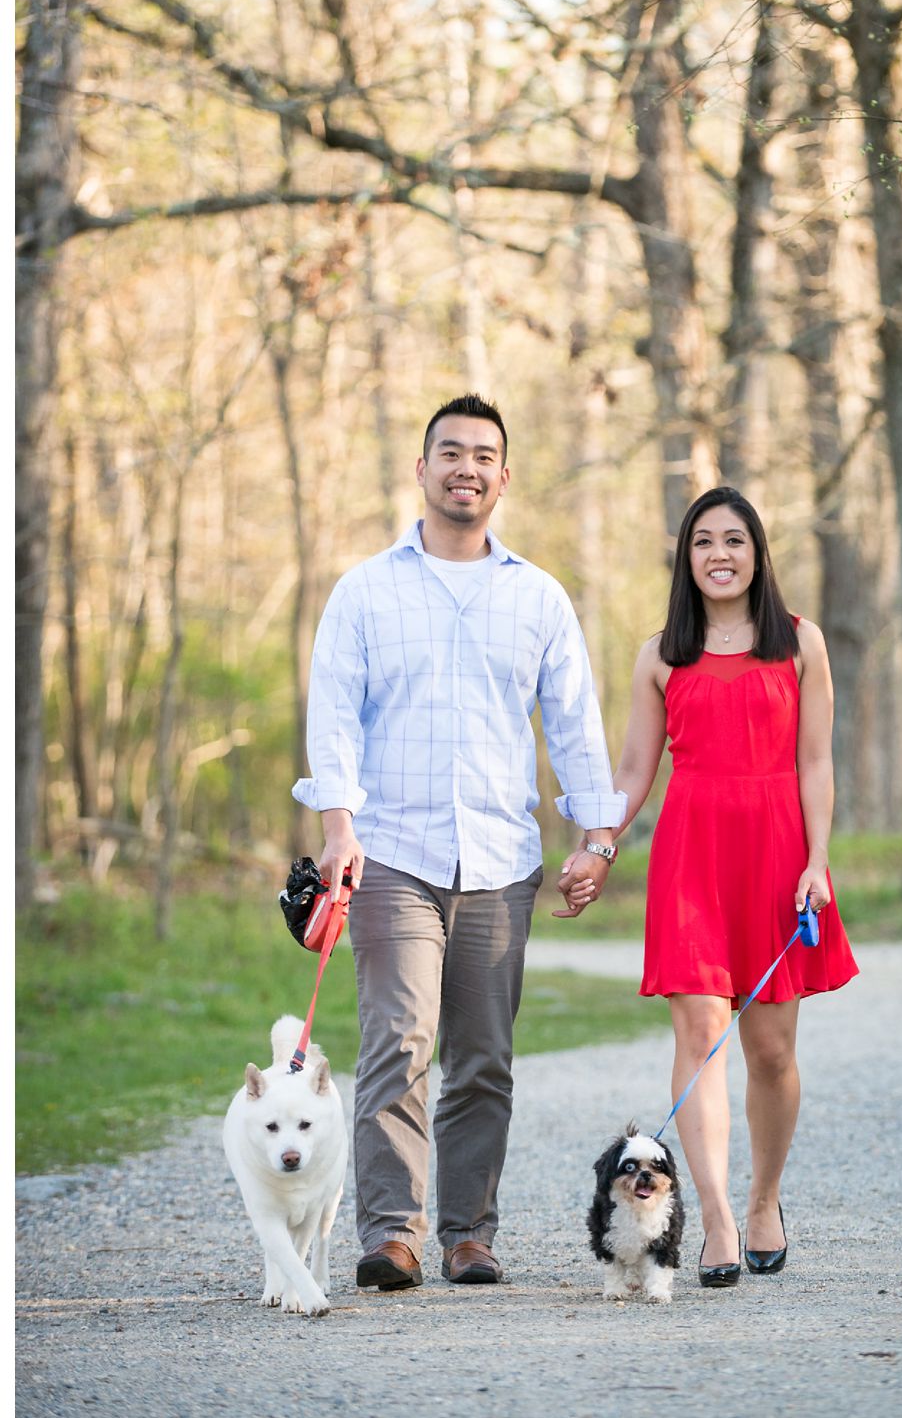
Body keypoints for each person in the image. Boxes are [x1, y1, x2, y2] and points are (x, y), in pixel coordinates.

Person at [296, 394, 627, 1290]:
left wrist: (595, 836)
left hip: (500, 861)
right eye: (449, 451)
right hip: (393, 853)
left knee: (483, 1058)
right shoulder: (366, 590)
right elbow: (333, 715)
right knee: (400, 1044)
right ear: (422, 468)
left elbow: (575, 725)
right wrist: (337, 828)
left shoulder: (537, 597)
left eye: (483, 454)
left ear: (504, 476)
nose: (465, 467)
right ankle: (392, 1234)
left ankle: (468, 1234)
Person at [564, 485, 857, 1287]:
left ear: (758, 553)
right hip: (692, 855)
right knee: (698, 1039)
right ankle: (719, 1217)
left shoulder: (800, 644)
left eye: (734, 540)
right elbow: (633, 770)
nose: (719, 554)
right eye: (703, 542)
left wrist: (816, 860)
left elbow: (818, 761)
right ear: (685, 559)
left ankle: (765, 1199)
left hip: (776, 853)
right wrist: (599, 848)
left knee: (770, 1049)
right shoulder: (661, 653)